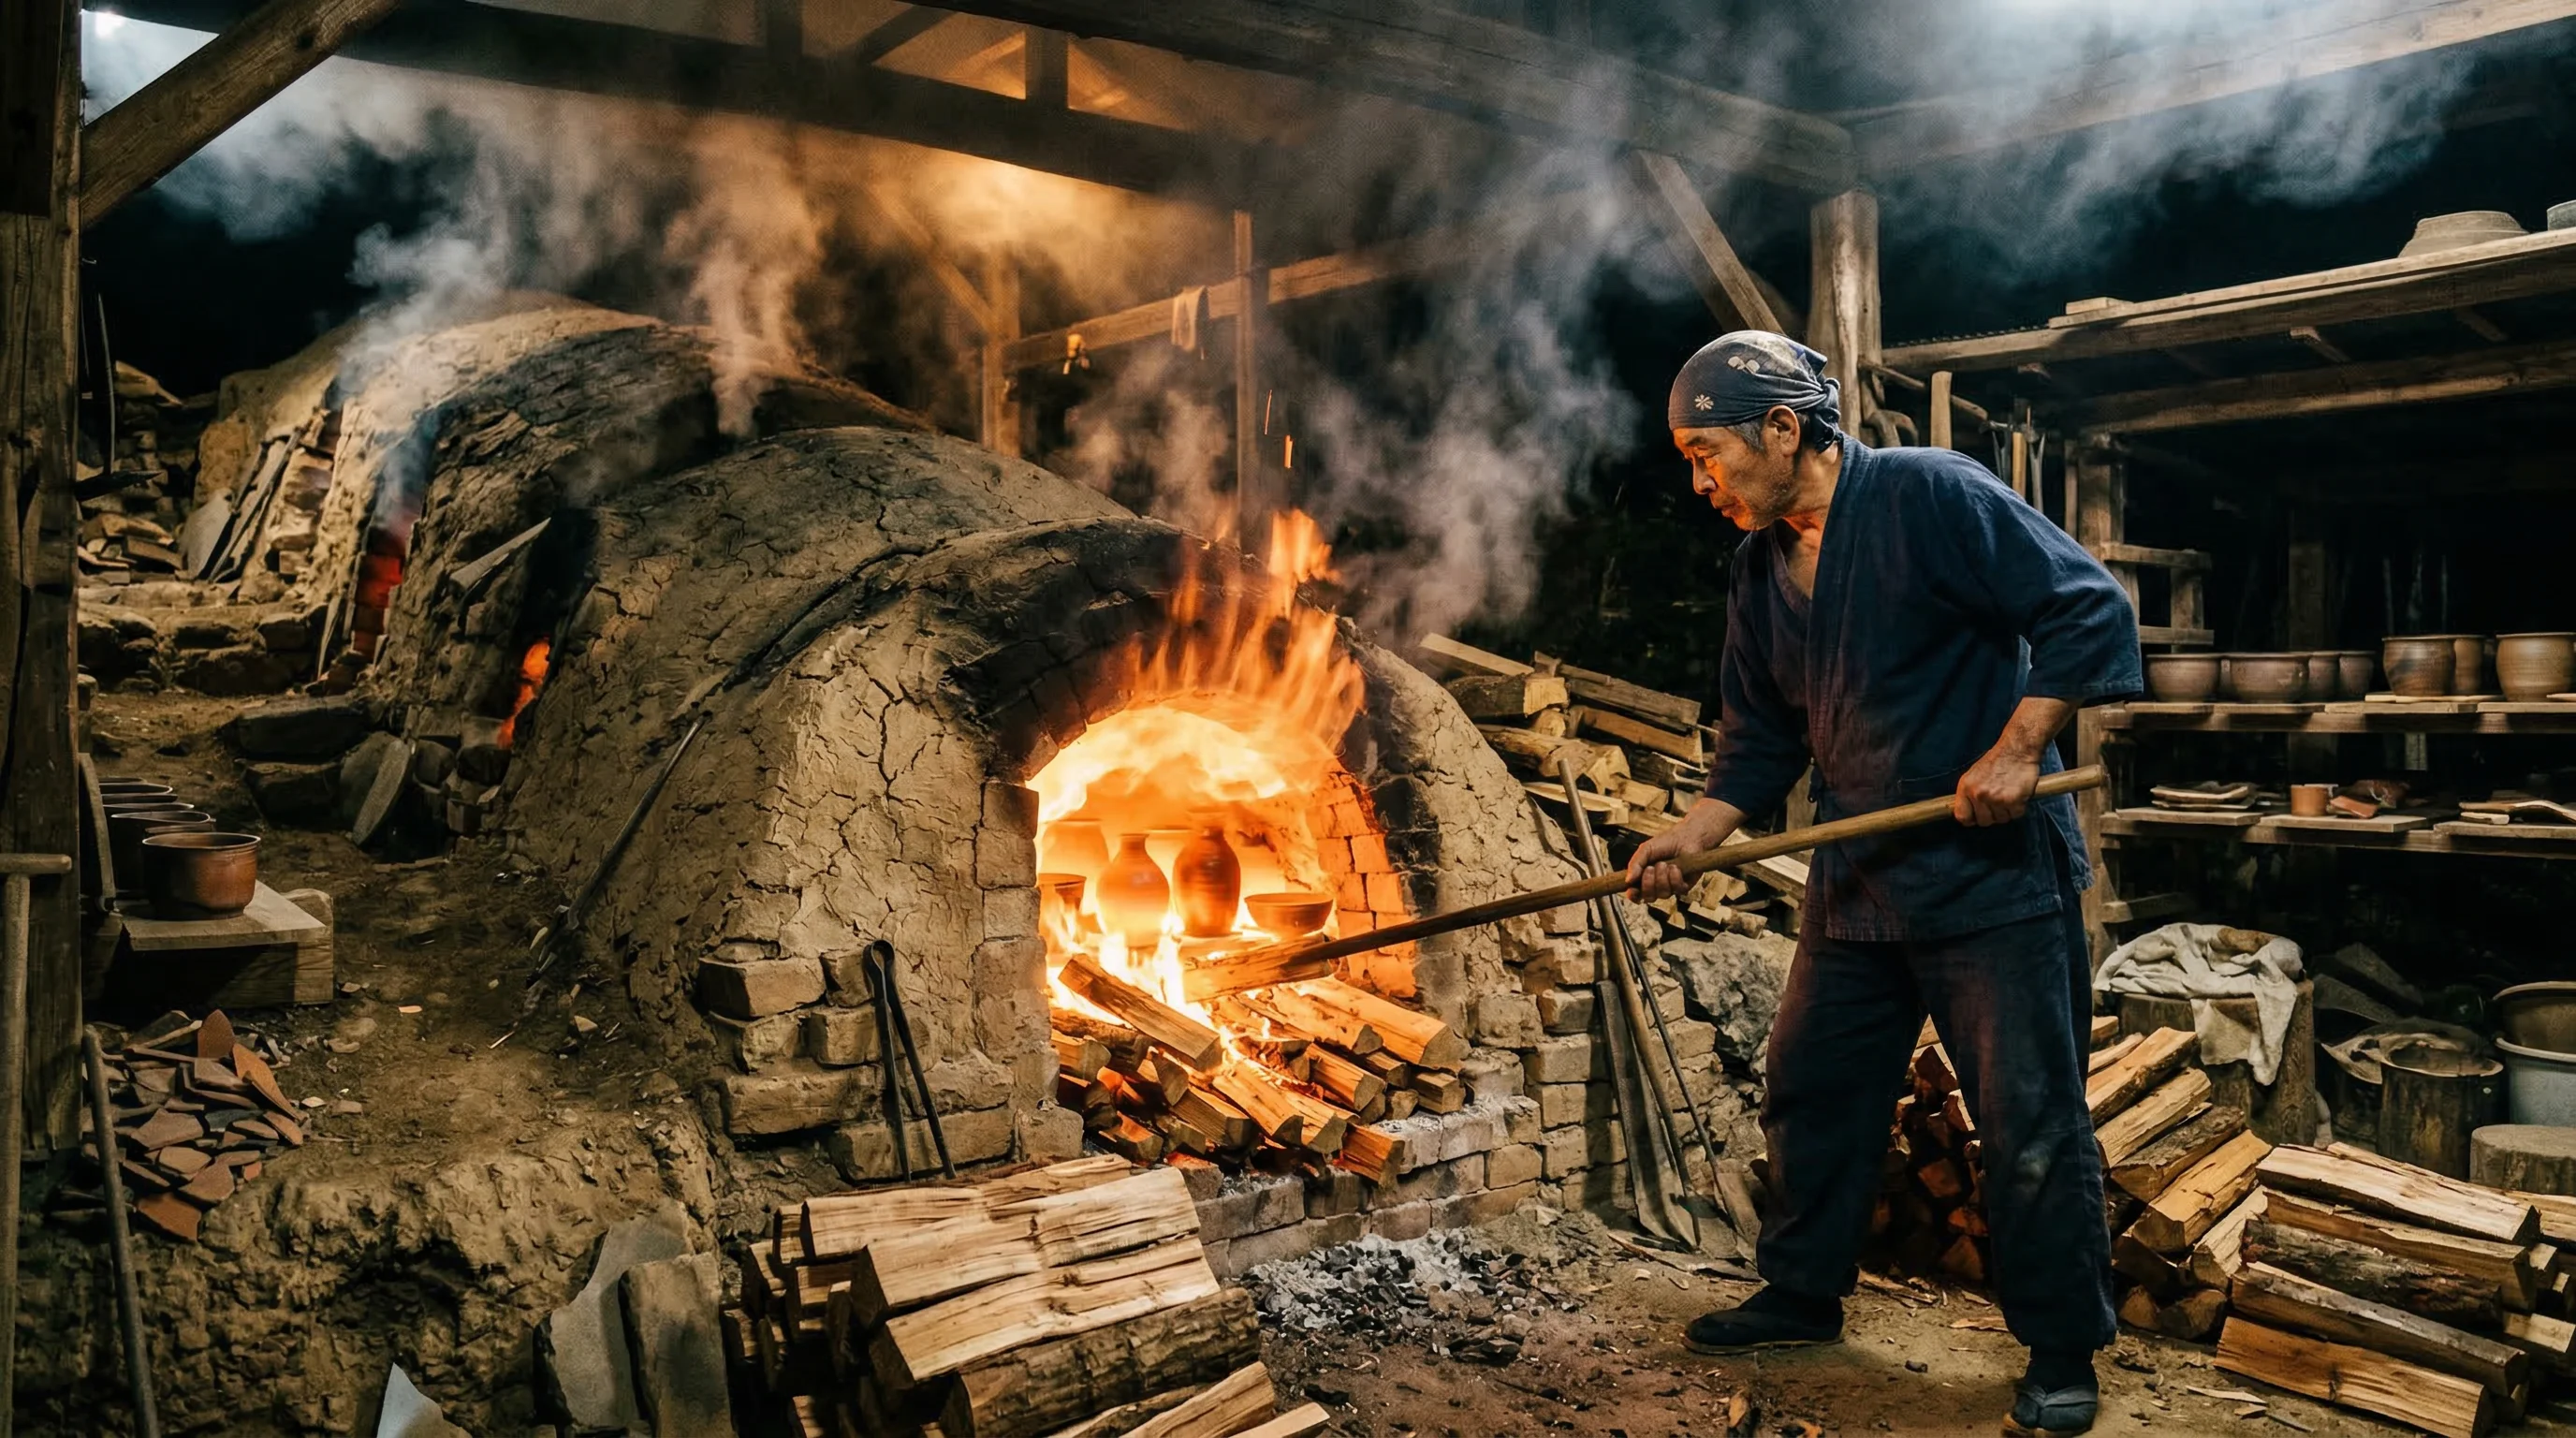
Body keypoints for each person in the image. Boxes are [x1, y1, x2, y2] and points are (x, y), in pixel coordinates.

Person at [1625, 331, 2141, 1438]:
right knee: (1811, 1085)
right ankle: (1802, 1291)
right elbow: (1761, 735)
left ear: (1779, 427)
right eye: (1686, 458)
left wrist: (2016, 750)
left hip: (1990, 878)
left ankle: (2060, 1347)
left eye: (1705, 450)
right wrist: (1693, 831)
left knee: (2030, 1121)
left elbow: (2088, 609)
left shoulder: (1929, 495)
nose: (1699, 480)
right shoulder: (1760, 568)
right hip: (1858, 870)